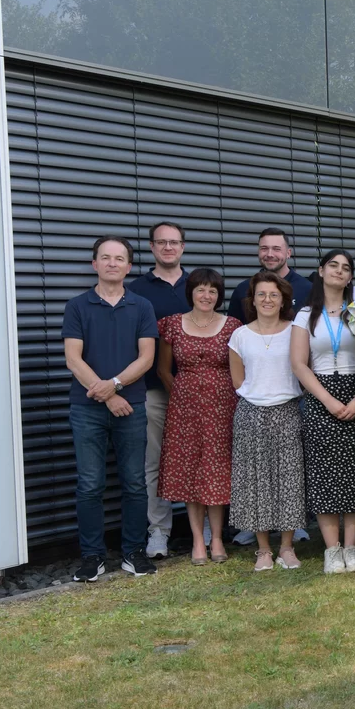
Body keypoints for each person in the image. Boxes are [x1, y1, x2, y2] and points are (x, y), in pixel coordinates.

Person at [63, 236, 159, 582]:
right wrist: (108, 395)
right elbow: (73, 358)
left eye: (119, 258)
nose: (112, 263)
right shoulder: (77, 306)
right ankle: (93, 556)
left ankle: (134, 552)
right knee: (90, 484)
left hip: (131, 406)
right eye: (105, 257)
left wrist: (115, 385)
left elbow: (146, 358)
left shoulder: (142, 306)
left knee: (134, 482)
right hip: (86, 408)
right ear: (95, 264)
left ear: (128, 266)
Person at [156, 268, 240, 565]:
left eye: (213, 291)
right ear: (190, 292)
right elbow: (163, 369)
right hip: (185, 411)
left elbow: (239, 367)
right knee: (190, 471)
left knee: (217, 471)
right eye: (201, 289)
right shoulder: (173, 325)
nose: (206, 296)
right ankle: (197, 541)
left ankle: (216, 538)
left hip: (223, 408)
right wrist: (182, 395)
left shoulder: (232, 326)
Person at [290, 249, 355, 575]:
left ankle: (352, 547)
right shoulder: (306, 315)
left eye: (346, 268)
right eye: (333, 265)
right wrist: (327, 400)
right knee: (323, 473)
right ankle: (332, 550)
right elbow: (298, 364)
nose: (339, 271)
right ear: (321, 271)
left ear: (350, 278)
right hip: (321, 395)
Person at [228, 271, 306, 571]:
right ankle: (263, 550)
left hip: (287, 411)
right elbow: (238, 380)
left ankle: (286, 547)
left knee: (289, 480)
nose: (267, 299)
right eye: (261, 294)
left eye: (274, 294)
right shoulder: (240, 335)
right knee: (255, 482)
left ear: (283, 300)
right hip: (251, 414)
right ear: (253, 299)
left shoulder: (295, 332)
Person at [126, 220, 191, 558]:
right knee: (154, 461)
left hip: (198, 394)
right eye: (161, 242)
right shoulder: (137, 290)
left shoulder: (198, 285)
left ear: (183, 247)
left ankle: (203, 527)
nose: (168, 247)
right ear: (152, 247)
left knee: (200, 458)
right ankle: (158, 531)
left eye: (174, 242)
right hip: (154, 389)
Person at [228, 228, 312, 320]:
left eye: (276, 249)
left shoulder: (308, 290)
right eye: (264, 248)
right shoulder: (243, 289)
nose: (270, 254)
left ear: (288, 253)